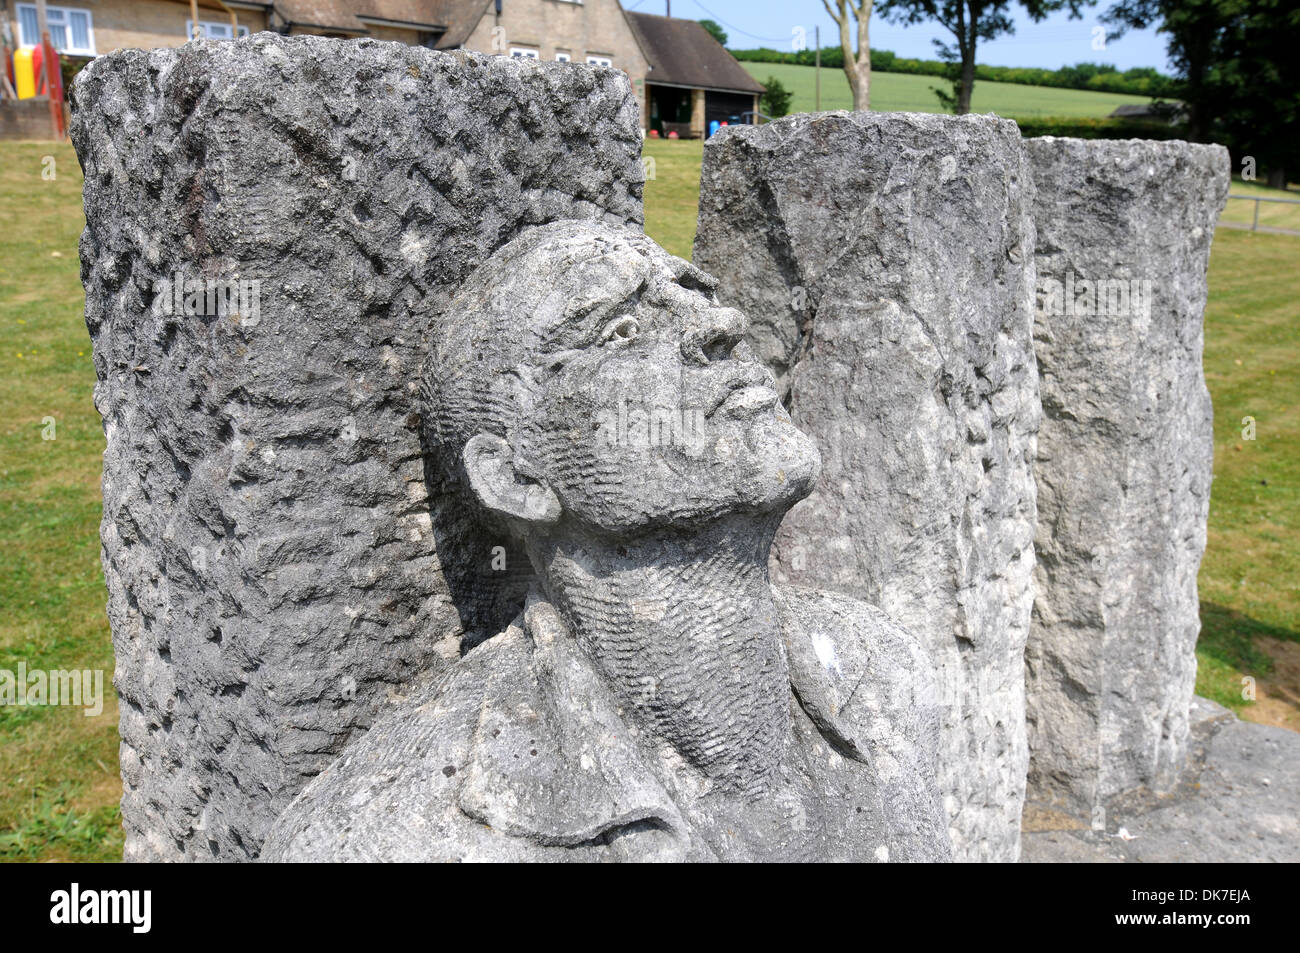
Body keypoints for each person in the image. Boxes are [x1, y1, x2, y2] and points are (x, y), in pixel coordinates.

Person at [261, 221, 951, 862]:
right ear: (512, 475)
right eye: (620, 331)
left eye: (693, 295)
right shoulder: (398, 835)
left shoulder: (883, 675)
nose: (720, 324)